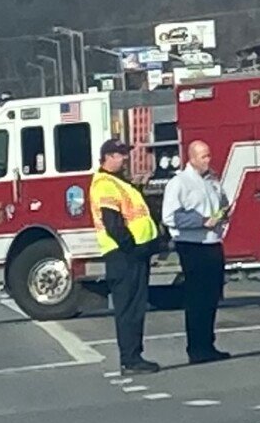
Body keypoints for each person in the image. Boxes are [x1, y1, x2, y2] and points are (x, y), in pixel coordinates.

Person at [91, 139, 161, 374]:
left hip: (133, 254)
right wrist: (132, 247)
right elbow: (113, 224)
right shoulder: (104, 184)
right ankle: (130, 359)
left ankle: (134, 356)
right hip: (123, 255)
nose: (125, 158)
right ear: (108, 157)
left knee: (136, 307)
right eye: (120, 154)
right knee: (128, 308)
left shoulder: (120, 183)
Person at [161, 139, 231, 364]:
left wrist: (223, 214)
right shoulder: (179, 183)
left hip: (213, 243)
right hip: (192, 244)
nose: (208, 160)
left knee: (212, 297)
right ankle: (196, 348)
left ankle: (208, 344)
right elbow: (170, 216)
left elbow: (221, 203)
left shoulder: (212, 180)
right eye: (203, 156)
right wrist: (201, 221)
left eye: (209, 155)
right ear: (191, 158)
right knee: (197, 298)